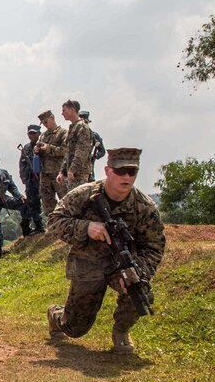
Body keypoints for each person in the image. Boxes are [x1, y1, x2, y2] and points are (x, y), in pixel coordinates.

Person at [46, 148, 164, 354]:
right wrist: (86, 228)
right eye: (120, 171)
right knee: (75, 329)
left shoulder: (144, 207)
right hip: (88, 264)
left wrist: (138, 272)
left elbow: (154, 246)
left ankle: (121, 332)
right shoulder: (84, 195)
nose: (126, 177)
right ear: (107, 170)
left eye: (132, 172)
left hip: (121, 265)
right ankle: (56, 316)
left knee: (138, 289)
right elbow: (54, 222)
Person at [35, 109, 68, 214]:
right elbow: (41, 152)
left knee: (65, 200)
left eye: (46, 121)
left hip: (58, 172)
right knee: (47, 202)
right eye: (43, 123)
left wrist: (48, 148)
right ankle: (52, 225)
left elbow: (64, 150)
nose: (44, 125)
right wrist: (38, 150)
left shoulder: (63, 133)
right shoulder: (43, 136)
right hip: (45, 173)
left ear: (52, 118)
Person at [59, 99, 94, 196]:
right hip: (72, 174)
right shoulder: (73, 127)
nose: (62, 113)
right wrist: (62, 172)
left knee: (79, 202)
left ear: (72, 110)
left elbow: (82, 151)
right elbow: (68, 152)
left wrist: (73, 169)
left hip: (79, 173)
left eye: (64, 110)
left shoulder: (82, 127)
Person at [18, 124, 45, 236]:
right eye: (30, 133)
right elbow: (22, 164)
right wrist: (24, 178)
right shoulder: (26, 148)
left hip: (44, 179)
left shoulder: (43, 145)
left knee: (49, 201)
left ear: (39, 134)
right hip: (31, 180)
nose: (32, 135)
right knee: (33, 203)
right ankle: (39, 226)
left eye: (34, 133)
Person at [80, 110, 106, 183]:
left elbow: (102, 151)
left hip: (88, 171)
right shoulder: (73, 135)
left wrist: (94, 156)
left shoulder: (94, 135)